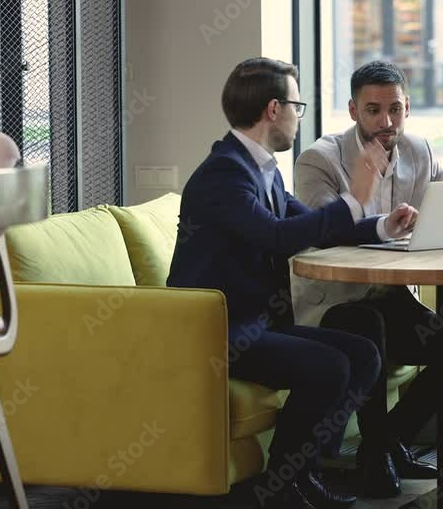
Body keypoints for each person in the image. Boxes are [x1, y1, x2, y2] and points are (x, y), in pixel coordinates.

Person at [167, 57, 418, 509]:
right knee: (329, 365)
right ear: (272, 109)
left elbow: (313, 226)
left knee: (362, 354)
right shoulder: (225, 173)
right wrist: (354, 196)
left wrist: (382, 226)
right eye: (296, 106)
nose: (298, 117)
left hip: (255, 325)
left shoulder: (261, 168)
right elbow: (279, 238)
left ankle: (298, 474)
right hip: (217, 331)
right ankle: (282, 484)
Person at [290, 60, 443, 498]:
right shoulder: (318, 160)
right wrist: (377, 215)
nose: (386, 121)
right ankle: (377, 452)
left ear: (407, 108)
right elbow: (324, 231)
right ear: (353, 110)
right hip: (335, 303)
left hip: (394, 297)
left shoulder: (419, 150)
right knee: (369, 326)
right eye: (373, 110)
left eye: (395, 109)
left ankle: (387, 441)